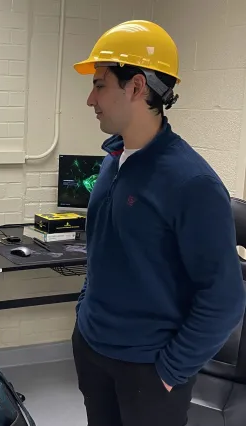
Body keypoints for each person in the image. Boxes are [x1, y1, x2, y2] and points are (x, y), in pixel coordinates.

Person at [71, 20, 246, 426]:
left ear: (136, 87)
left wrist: (169, 371)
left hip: (149, 370)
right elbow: (102, 251)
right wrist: (84, 314)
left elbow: (224, 299)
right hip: (94, 351)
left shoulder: (191, 183)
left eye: (99, 85)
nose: (90, 99)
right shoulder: (113, 161)